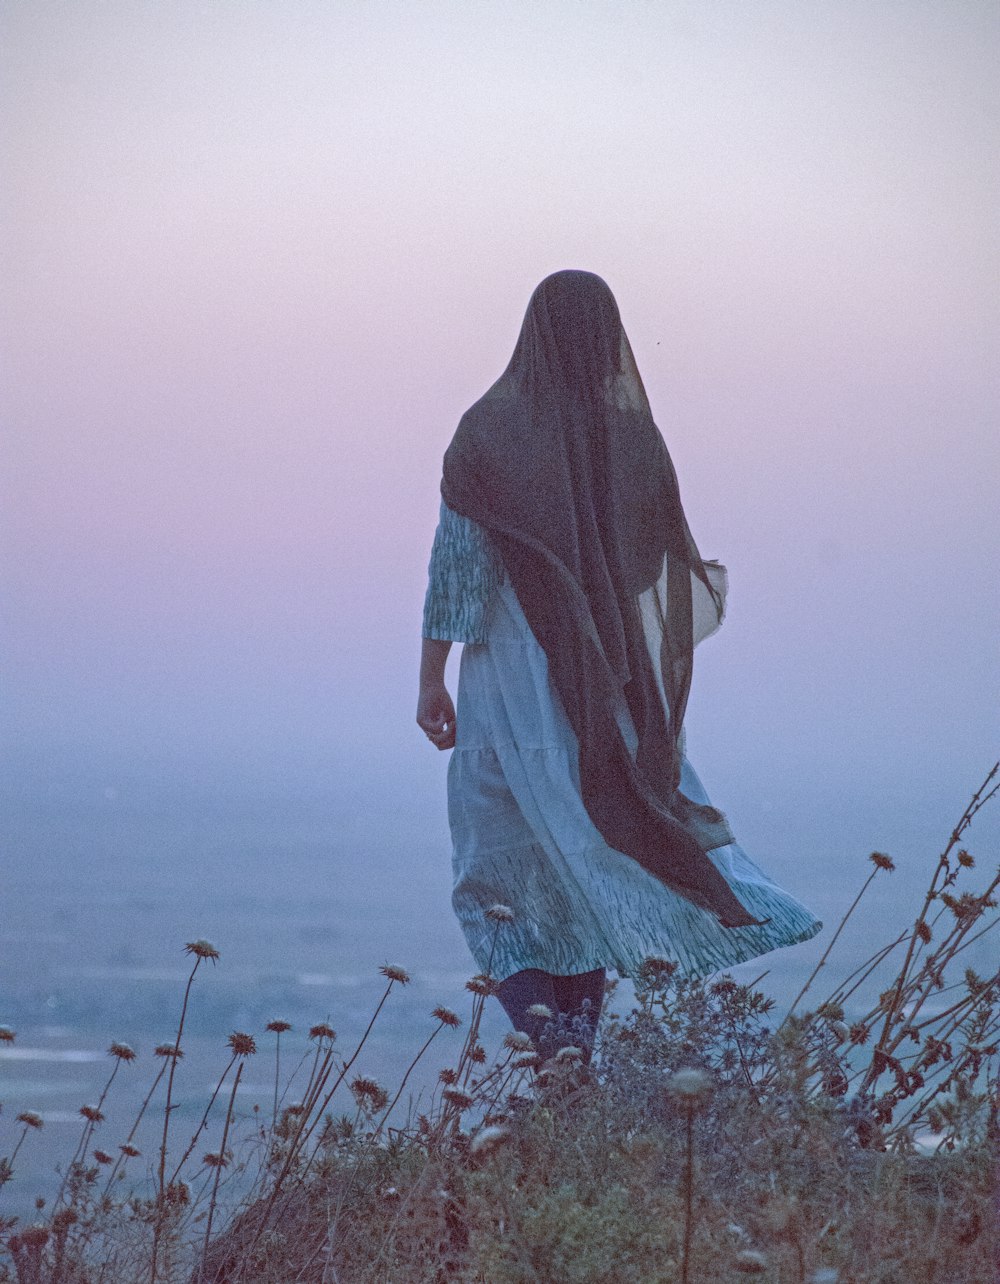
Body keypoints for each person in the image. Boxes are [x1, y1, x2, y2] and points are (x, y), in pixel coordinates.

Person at [417, 270, 820, 1064]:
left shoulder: (489, 431)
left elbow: (457, 570)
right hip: (607, 684)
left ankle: (559, 1065)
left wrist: (430, 678)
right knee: (590, 853)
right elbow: (650, 567)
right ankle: (573, 1062)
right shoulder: (629, 435)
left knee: (498, 875)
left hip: (510, 681)